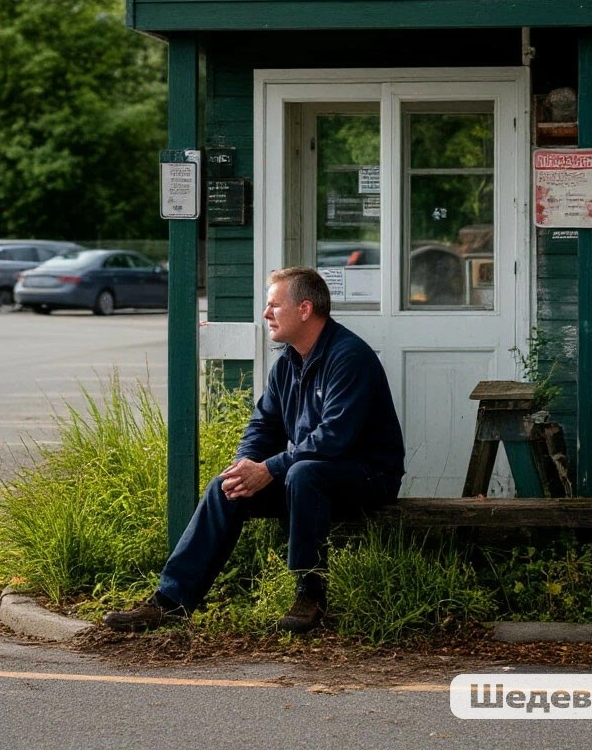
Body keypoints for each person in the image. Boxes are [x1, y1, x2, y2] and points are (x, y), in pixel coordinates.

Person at [102, 266, 405, 635]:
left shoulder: (349, 357)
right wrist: (244, 467)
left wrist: (270, 468)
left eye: (274, 306)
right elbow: (264, 426)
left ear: (305, 309)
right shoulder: (288, 362)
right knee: (225, 487)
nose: (266, 314)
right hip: (309, 480)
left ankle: (310, 595)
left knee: (302, 472)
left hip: (368, 475)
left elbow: (334, 438)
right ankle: (171, 601)